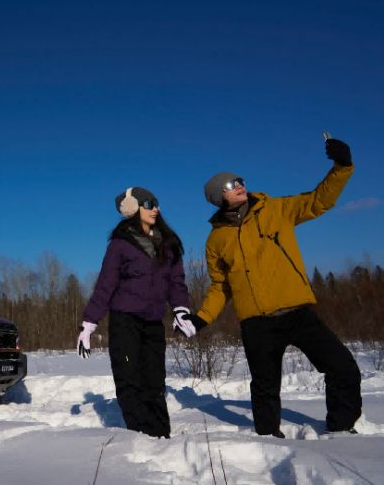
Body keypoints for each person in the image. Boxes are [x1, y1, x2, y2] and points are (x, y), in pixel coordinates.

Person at [181, 137, 362, 438]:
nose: (239, 185)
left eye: (239, 180)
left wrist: (342, 166)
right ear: (218, 197)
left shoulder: (276, 209)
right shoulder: (216, 241)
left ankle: (341, 431)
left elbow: (320, 200)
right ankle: (268, 441)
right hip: (256, 324)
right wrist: (201, 318)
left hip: (298, 312)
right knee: (265, 388)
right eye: (229, 185)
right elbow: (220, 287)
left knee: (343, 368)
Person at [77, 186, 196, 438]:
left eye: (157, 203)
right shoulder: (120, 245)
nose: (156, 209)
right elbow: (105, 285)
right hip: (125, 322)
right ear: (134, 208)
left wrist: (181, 310)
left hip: (153, 322)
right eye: (149, 203)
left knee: (154, 381)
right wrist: (89, 323)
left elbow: (177, 282)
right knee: (129, 378)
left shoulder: (168, 244)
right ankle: (139, 436)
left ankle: (161, 436)